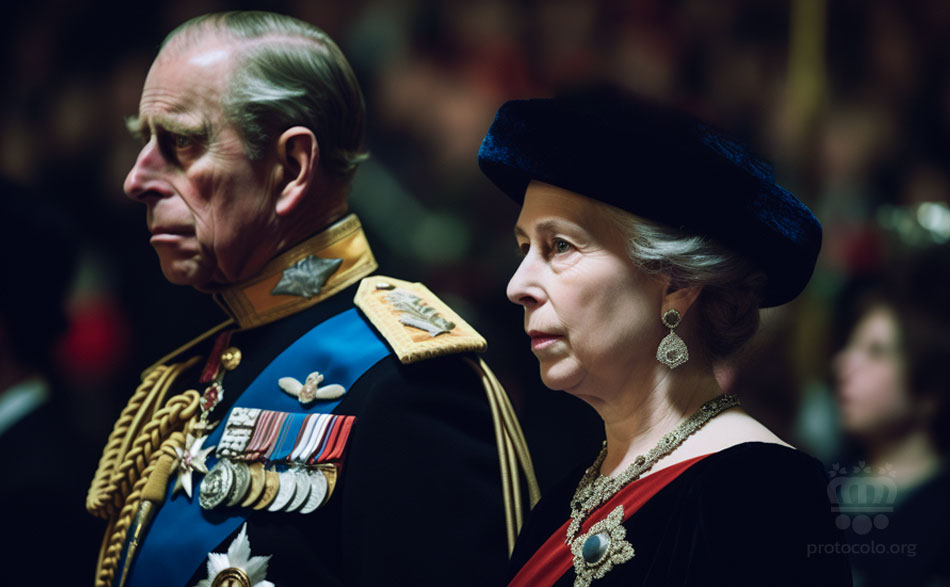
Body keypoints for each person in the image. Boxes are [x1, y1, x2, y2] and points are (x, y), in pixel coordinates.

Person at [85, 11, 536, 587]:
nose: (136, 178)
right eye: (141, 141)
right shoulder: (186, 371)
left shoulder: (409, 384)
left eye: (179, 143)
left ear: (292, 167)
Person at [477, 87, 853, 586]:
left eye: (559, 245)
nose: (517, 286)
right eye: (524, 247)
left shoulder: (763, 492)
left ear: (676, 281)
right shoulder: (565, 497)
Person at [832, 244, 950, 587]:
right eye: (849, 347)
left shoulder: (941, 516)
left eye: (876, 351)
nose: (842, 366)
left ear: (930, 390)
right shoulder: (821, 482)